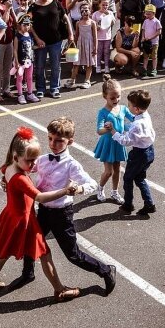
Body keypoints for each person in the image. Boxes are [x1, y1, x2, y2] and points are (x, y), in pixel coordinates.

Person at [18, 117, 117, 292]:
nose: (53, 144)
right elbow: (25, 168)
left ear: (69, 141)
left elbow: (92, 184)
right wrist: (11, 176)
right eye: (50, 138)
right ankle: (28, 273)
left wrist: (77, 189)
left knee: (73, 255)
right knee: (30, 239)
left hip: (61, 214)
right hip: (43, 210)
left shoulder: (71, 165)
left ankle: (106, 270)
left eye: (59, 141)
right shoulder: (42, 159)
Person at [0, 127, 81, 301]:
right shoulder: (20, 178)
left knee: (3, 253)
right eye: (30, 161)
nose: (34, 165)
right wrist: (64, 191)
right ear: (16, 157)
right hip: (24, 220)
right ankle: (59, 290)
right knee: (45, 254)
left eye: (35, 160)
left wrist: (4, 181)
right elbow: (40, 197)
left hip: (11, 216)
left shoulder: (9, 167)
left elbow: (5, 177)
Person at [105, 89, 155, 215]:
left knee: (128, 178)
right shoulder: (145, 115)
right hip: (149, 151)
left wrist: (113, 131)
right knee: (140, 178)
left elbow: (126, 141)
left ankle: (128, 205)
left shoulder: (137, 124)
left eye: (129, 105)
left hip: (139, 154)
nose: (128, 107)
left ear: (137, 109)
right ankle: (149, 203)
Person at [29, 0, 73, 100]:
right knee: (39, 66)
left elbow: (65, 18)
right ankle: (40, 88)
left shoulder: (56, 3)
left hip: (55, 41)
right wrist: (37, 39)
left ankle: (54, 88)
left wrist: (71, 34)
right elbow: (29, 24)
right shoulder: (33, 6)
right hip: (40, 43)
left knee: (55, 65)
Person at [94, 74, 132, 204]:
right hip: (108, 144)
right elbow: (99, 131)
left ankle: (115, 192)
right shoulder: (103, 112)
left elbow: (133, 119)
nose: (116, 100)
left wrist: (141, 117)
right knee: (108, 171)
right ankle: (100, 188)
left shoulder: (123, 109)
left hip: (118, 143)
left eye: (118, 96)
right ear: (105, 96)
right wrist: (108, 129)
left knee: (117, 169)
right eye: (112, 98)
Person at [68, 3, 97, 89]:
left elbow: (95, 36)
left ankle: (87, 81)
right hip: (80, 45)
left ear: (90, 11)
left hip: (89, 45)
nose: (84, 12)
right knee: (76, 63)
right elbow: (76, 35)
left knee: (89, 64)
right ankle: (72, 80)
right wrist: (73, 45)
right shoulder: (78, 23)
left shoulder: (92, 23)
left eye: (86, 10)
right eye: (82, 11)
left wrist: (95, 47)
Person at [12, 13, 37, 104]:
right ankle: (20, 94)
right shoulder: (17, 36)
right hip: (21, 62)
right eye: (25, 25)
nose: (27, 27)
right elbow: (15, 50)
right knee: (20, 78)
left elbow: (31, 47)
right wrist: (16, 61)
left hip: (29, 61)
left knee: (29, 77)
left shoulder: (29, 35)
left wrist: (37, 47)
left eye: (28, 24)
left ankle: (30, 93)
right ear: (19, 25)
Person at [92, 0, 116, 74]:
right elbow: (93, 24)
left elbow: (113, 23)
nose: (105, 6)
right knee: (99, 52)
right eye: (103, 5)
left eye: (106, 5)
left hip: (107, 37)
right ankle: (98, 66)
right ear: (99, 5)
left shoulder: (110, 13)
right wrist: (97, 26)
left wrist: (110, 17)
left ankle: (106, 66)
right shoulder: (96, 14)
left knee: (106, 52)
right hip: (98, 37)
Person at [140, 4, 162, 77]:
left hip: (154, 43)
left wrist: (150, 37)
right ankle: (144, 69)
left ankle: (154, 69)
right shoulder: (145, 21)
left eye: (149, 14)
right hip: (146, 42)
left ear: (154, 13)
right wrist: (143, 37)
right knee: (145, 56)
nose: (147, 15)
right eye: (146, 14)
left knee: (154, 56)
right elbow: (143, 30)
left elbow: (159, 32)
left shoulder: (156, 22)